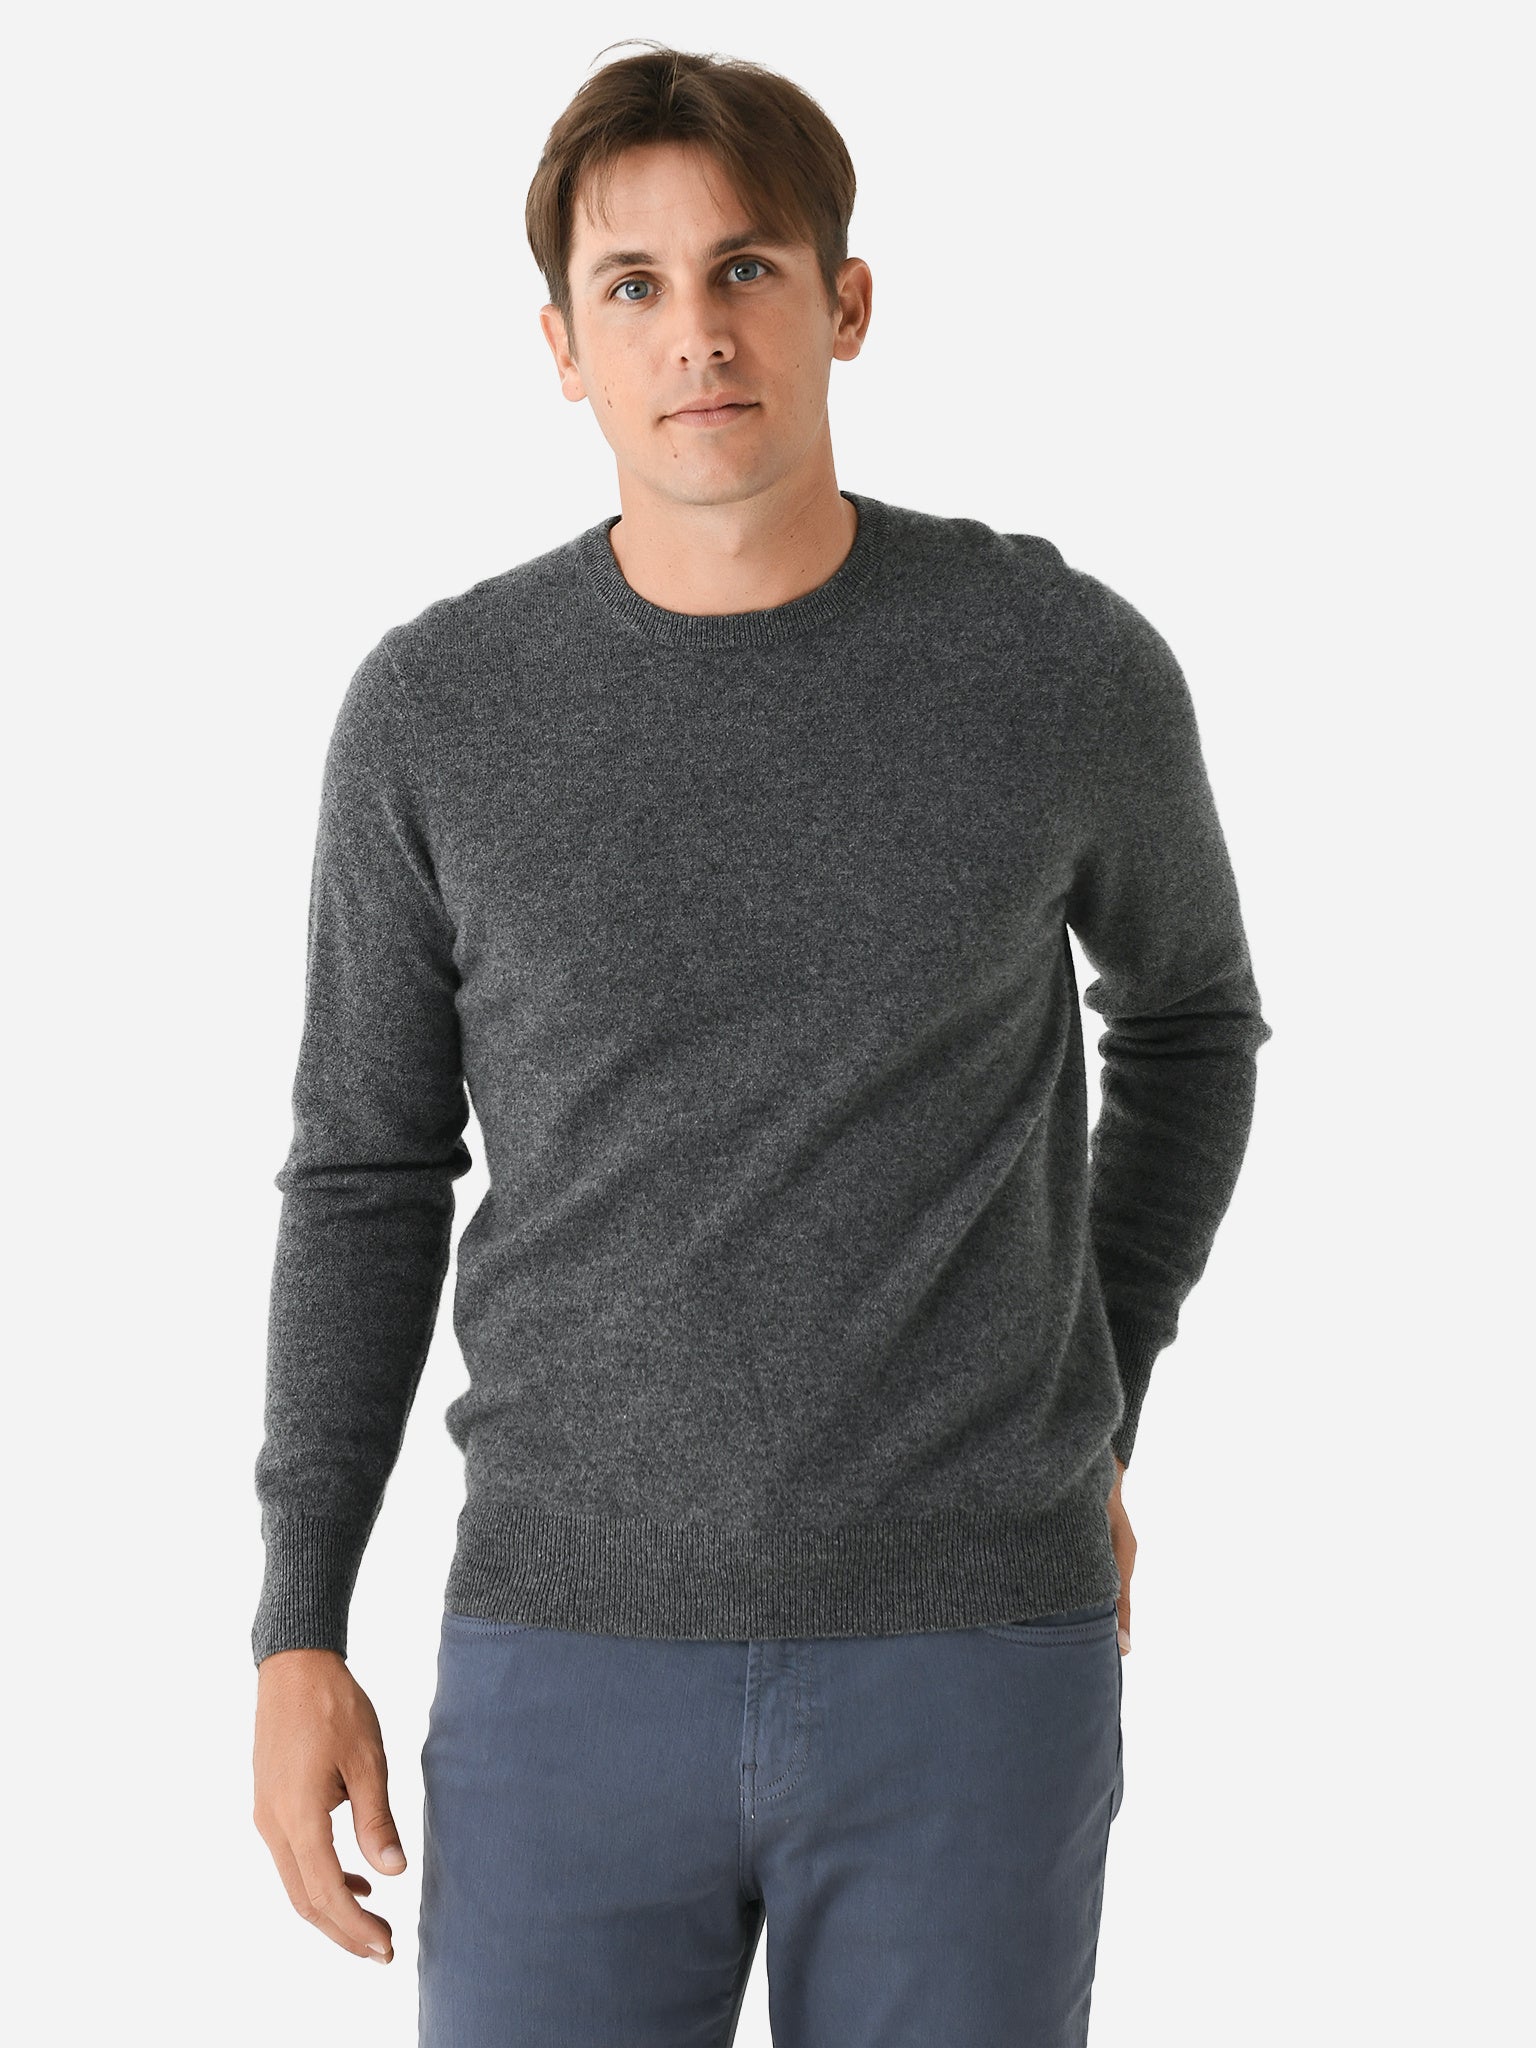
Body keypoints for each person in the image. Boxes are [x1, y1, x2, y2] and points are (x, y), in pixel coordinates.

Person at [250, 40, 1273, 2048]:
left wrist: (1096, 1396)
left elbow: (1191, 1026)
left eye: (747, 269)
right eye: (632, 285)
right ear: (563, 346)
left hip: (973, 1649)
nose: (696, 333)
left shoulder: (1056, 667)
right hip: (561, 1658)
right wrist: (299, 1622)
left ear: (846, 302)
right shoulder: (440, 713)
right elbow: (365, 1173)